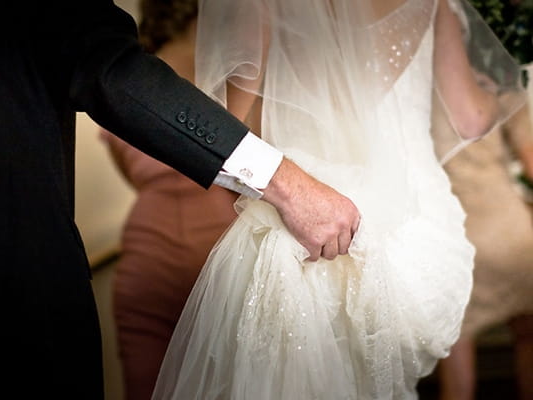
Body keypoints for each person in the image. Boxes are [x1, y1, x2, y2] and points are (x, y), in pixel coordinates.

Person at [0, 0, 368, 398]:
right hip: (32, 286)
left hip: (176, 254)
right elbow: (111, 70)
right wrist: (287, 182)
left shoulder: (241, 43)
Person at [151, 0, 527, 399]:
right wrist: (500, 76)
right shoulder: (437, 6)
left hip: (306, 225)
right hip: (416, 235)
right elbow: (470, 118)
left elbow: (229, 128)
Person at [99, 1, 238, 398]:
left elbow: (137, 178)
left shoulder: (125, 83)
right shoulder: (238, 73)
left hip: (146, 264)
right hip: (220, 263)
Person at [436, 103, 533, 400]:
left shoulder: (411, 75)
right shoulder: (496, 82)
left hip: (454, 233)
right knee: (528, 332)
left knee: (457, 340)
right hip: (511, 230)